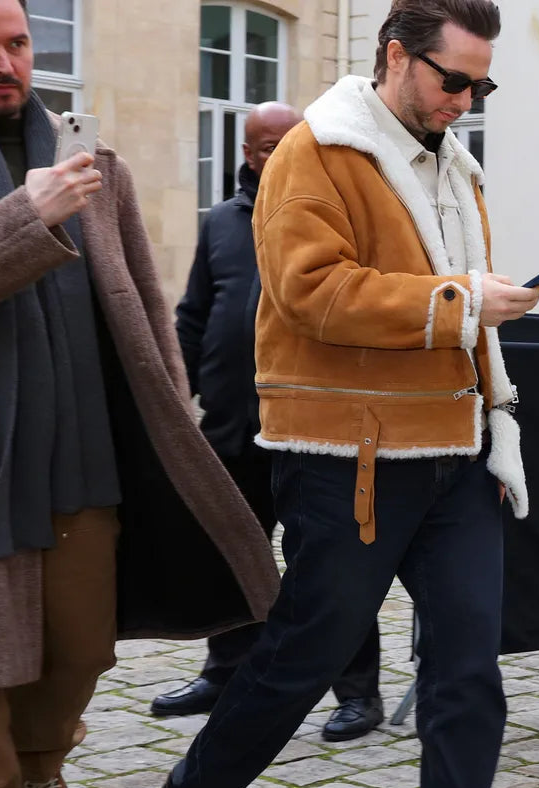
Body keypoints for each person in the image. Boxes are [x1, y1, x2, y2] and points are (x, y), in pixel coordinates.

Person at [161, 0, 539, 788]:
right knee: (306, 652)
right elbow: (310, 292)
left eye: (481, 84)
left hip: (456, 451)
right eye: (453, 78)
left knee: (467, 666)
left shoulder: (455, 165)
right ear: (395, 56)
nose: (466, 99)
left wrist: (493, 408)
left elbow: (450, 315)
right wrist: (462, 303)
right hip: (353, 458)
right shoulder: (319, 150)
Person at [0, 0, 277, 788]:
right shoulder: (49, 186)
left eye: (17, 43)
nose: (4, 62)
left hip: (86, 455)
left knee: (78, 650)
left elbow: (143, 294)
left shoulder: (88, 159)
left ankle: (41, 760)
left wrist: (172, 409)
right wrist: (28, 217)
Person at [151, 102, 386, 743]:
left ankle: (357, 691)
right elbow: (194, 317)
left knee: (331, 564)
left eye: (279, 144)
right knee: (229, 555)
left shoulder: (334, 216)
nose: (267, 155)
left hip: (312, 428)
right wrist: (177, 402)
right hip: (231, 427)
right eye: (257, 146)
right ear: (246, 150)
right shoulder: (223, 223)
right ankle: (226, 671)